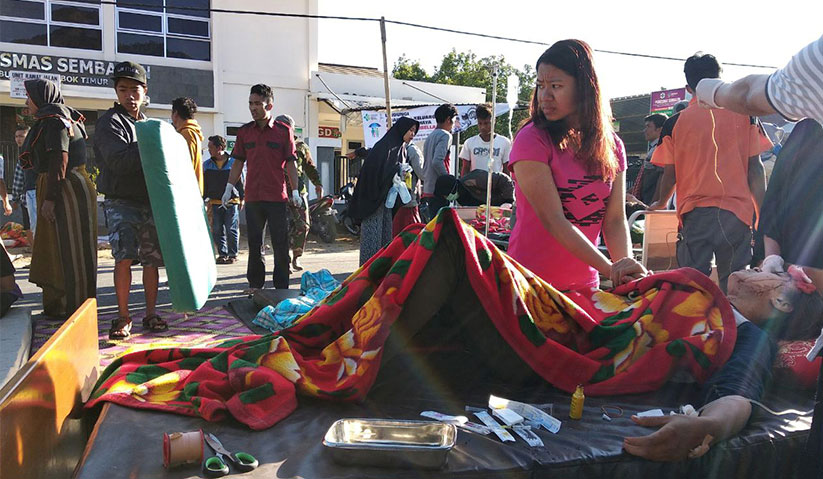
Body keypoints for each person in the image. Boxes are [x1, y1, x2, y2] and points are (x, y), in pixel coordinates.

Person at [508, 39, 647, 291]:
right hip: (530, 286)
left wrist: (626, 267)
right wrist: (611, 270)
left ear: (584, 87)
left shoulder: (612, 144)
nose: (545, 96)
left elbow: (615, 220)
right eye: (540, 85)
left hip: (586, 287)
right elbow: (554, 221)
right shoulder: (532, 139)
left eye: (556, 86)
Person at [648, 53, 772, 293]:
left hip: (695, 216)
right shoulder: (746, 116)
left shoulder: (675, 123)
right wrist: (762, 213)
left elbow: (669, 175)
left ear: (688, 88)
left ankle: (699, 329)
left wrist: (660, 202)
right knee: (736, 288)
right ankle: (735, 328)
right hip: (737, 215)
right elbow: (755, 168)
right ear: (720, 80)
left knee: (693, 287)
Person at [96, 61, 167, 338]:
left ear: (144, 90)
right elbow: (119, 162)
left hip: (150, 201)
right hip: (121, 201)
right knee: (124, 258)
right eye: (123, 89)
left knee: (151, 261)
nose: (129, 95)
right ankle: (123, 317)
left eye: (134, 89)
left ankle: (151, 313)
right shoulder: (109, 123)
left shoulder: (147, 124)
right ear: (116, 91)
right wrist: (150, 143)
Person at [18, 79, 97, 319]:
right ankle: (72, 304)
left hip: (64, 188)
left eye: (29, 97)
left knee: (66, 247)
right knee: (65, 246)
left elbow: (59, 159)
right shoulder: (63, 117)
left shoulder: (53, 121)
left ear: (40, 97)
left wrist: (50, 199)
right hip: (68, 184)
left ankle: (69, 306)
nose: (26, 102)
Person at [222, 84, 301, 292]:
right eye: (250, 103)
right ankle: (255, 286)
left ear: (269, 105)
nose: (253, 107)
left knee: (280, 244)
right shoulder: (244, 132)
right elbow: (238, 162)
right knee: (255, 244)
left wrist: (295, 190)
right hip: (253, 198)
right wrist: (229, 187)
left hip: (277, 197)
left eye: (258, 103)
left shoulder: (284, 132)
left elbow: (291, 162)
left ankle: (281, 287)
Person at [695, 34, 823, 123]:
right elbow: (755, 160)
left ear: (689, 89)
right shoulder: (747, 120)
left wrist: (714, 91)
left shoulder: (817, 58)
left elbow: (748, 96)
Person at [349, 116, 420, 265]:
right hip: (373, 199)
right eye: (410, 130)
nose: (412, 134)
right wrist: (396, 171)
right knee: (372, 239)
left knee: (385, 237)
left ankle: (380, 272)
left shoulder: (400, 148)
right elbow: (376, 172)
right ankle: (366, 274)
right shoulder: (385, 146)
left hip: (387, 199)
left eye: (414, 131)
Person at [274, 114, 323, 272]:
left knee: (303, 225)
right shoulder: (272, 145)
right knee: (282, 228)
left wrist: (317, 183)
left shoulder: (300, 146)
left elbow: (309, 166)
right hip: (278, 192)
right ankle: (284, 261)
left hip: (299, 193)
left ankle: (296, 256)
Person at [203, 135, 243, 264]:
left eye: (211, 147)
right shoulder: (207, 165)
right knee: (217, 229)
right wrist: (203, 200)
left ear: (219, 148)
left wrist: (242, 198)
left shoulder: (233, 163)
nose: (208, 150)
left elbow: (241, 182)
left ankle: (233, 254)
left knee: (231, 228)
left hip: (231, 202)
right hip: (214, 202)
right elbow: (204, 185)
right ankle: (222, 254)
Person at [421, 104, 457, 220]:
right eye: (454, 120)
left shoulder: (430, 136)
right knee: (440, 227)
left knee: (432, 225)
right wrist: (447, 179)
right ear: (448, 119)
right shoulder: (445, 135)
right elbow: (436, 161)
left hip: (428, 187)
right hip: (439, 189)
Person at [458, 104, 512, 176]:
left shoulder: (504, 142)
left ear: (493, 121)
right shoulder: (469, 143)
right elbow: (465, 168)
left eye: (486, 123)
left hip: (496, 185)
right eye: (480, 123)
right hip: (475, 185)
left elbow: (506, 169)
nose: (483, 127)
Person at [628, 113, 667, 206]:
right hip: (645, 200)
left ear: (660, 129)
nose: (644, 130)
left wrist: (655, 204)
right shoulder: (653, 149)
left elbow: (663, 177)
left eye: (648, 126)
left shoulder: (662, 149)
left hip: (651, 204)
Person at [171, 97, 204, 196]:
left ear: (175, 113)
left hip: (187, 193)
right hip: (192, 192)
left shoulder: (186, 134)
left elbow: (185, 166)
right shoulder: (191, 132)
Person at [392, 138, 424, 236]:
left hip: (393, 198)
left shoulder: (392, 149)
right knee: (412, 234)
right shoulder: (413, 150)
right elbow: (422, 174)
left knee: (397, 234)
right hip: (408, 199)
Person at [11, 125, 36, 247]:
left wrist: (15, 199)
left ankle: (35, 252)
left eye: (21, 136)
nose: (18, 139)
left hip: (30, 195)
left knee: (30, 226)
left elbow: (18, 179)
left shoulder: (26, 153)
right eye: (16, 136)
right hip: (28, 195)